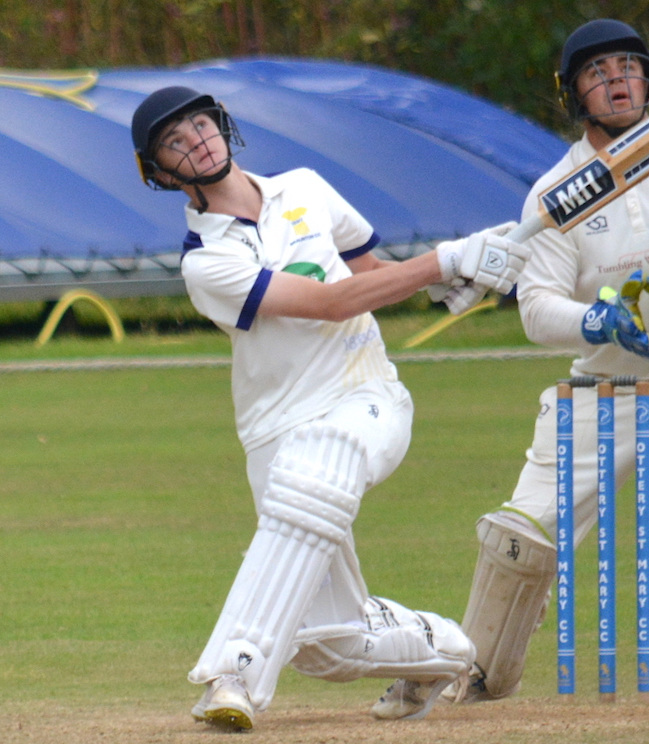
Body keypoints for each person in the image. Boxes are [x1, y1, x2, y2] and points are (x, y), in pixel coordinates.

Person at [371, 18, 649, 718]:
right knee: (518, 539)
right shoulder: (555, 193)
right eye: (597, 72)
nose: (616, 81)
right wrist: (597, 320)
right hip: (602, 390)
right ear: (574, 93)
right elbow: (536, 307)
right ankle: (473, 670)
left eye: (627, 67)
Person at [130, 86, 529, 731]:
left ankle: (231, 675)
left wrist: (447, 281)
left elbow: (368, 273)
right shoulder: (208, 263)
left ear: (222, 127)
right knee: (329, 645)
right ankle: (443, 648)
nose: (195, 140)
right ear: (161, 173)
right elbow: (331, 302)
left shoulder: (306, 187)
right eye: (174, 141)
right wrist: (444, 260)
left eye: (200, 124)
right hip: (274, 432)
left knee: (319, 466)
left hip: (365, 398)